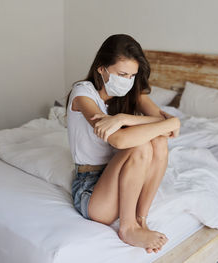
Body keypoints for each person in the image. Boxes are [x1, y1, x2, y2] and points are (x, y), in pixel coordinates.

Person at [65, 34, 180, 254]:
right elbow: (118, 139)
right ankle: (127, 228)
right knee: (140, 145)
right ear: (102, 69)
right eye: (122, 74)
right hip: (91, 191)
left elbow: (169, 127)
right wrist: (170, 122)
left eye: (132, 76)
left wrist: (123, 118)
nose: (127, 81)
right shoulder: (83, 94)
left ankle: (140, 219)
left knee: (158, 139)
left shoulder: (131, 92)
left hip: (122, 181)